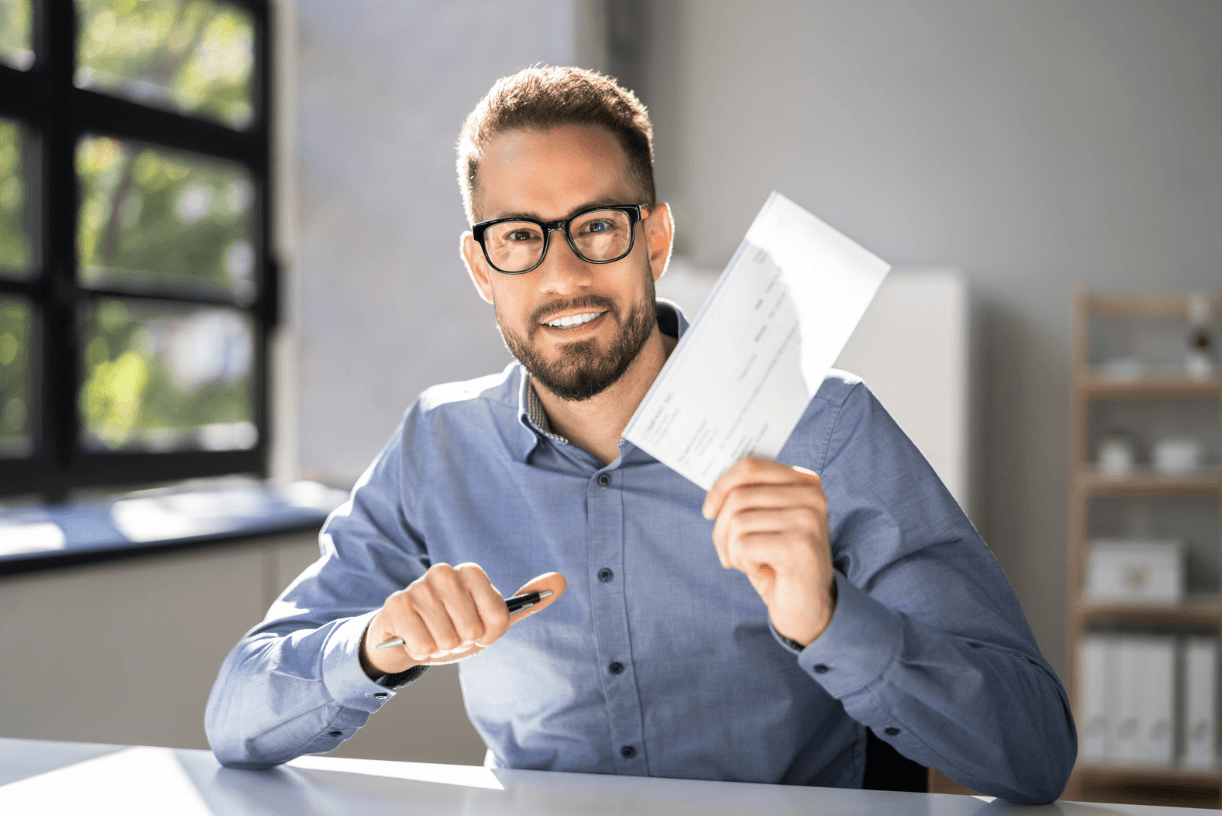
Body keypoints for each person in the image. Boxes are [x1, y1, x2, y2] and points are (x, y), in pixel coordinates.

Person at [205, 65, 1076, 802]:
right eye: (520, 237)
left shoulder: (825, 426)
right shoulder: (437, 446)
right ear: (481, 267)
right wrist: (372, 646)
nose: (564, 274)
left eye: (596, 226)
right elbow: (236, 714)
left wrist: (829, 618)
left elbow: (1035, 754)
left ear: (653, 238)